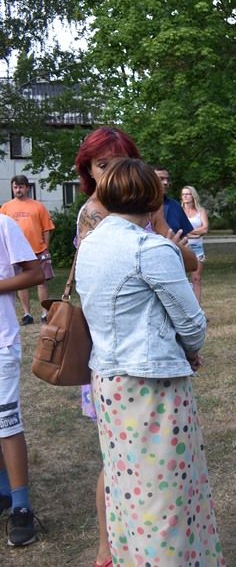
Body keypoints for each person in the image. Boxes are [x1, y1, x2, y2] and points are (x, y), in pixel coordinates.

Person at [76, 158, 223, 565]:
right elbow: (192, 325)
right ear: (152, 198)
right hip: (151, 387)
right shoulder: (149, 248)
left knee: (127, 492)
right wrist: (188, 347)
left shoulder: (90, 245)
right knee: (165, 500)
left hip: (107, 381)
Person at [0, 214, 45, 547]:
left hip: (1, 342)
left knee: (6, 422)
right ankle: (3, 491)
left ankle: (21, 506)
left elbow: (35, 272)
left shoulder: (4, 225)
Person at [0, 175, 54, 325]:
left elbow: (47, 229)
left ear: (27, 188)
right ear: (12, 188)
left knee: (41, 282)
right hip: (16, 254)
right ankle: (27, 314)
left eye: (21, 187)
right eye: (15, 187)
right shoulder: (6, 207)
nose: (18, 190)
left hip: (38, 250)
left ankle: (45, 314)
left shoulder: (38, 206)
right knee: (20, 283)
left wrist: (46, 248)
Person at [180, 185, 209, 303]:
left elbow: (205, 229)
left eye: (188, 193)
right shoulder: (179, 211)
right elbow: (177, 229)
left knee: (196, 278)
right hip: (182, 247)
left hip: (197, 248)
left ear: (193, 195)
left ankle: (198, 308)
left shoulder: (201, 211)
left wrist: (188, 232)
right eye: (183, 194)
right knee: (182, 280)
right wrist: (196, 232)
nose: (185, 196)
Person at [152, 167, 194, 239]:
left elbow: (184, 235)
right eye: (161, 179)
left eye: (167, 179)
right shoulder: (140, 206)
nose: (166, 183)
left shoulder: (175, 206)